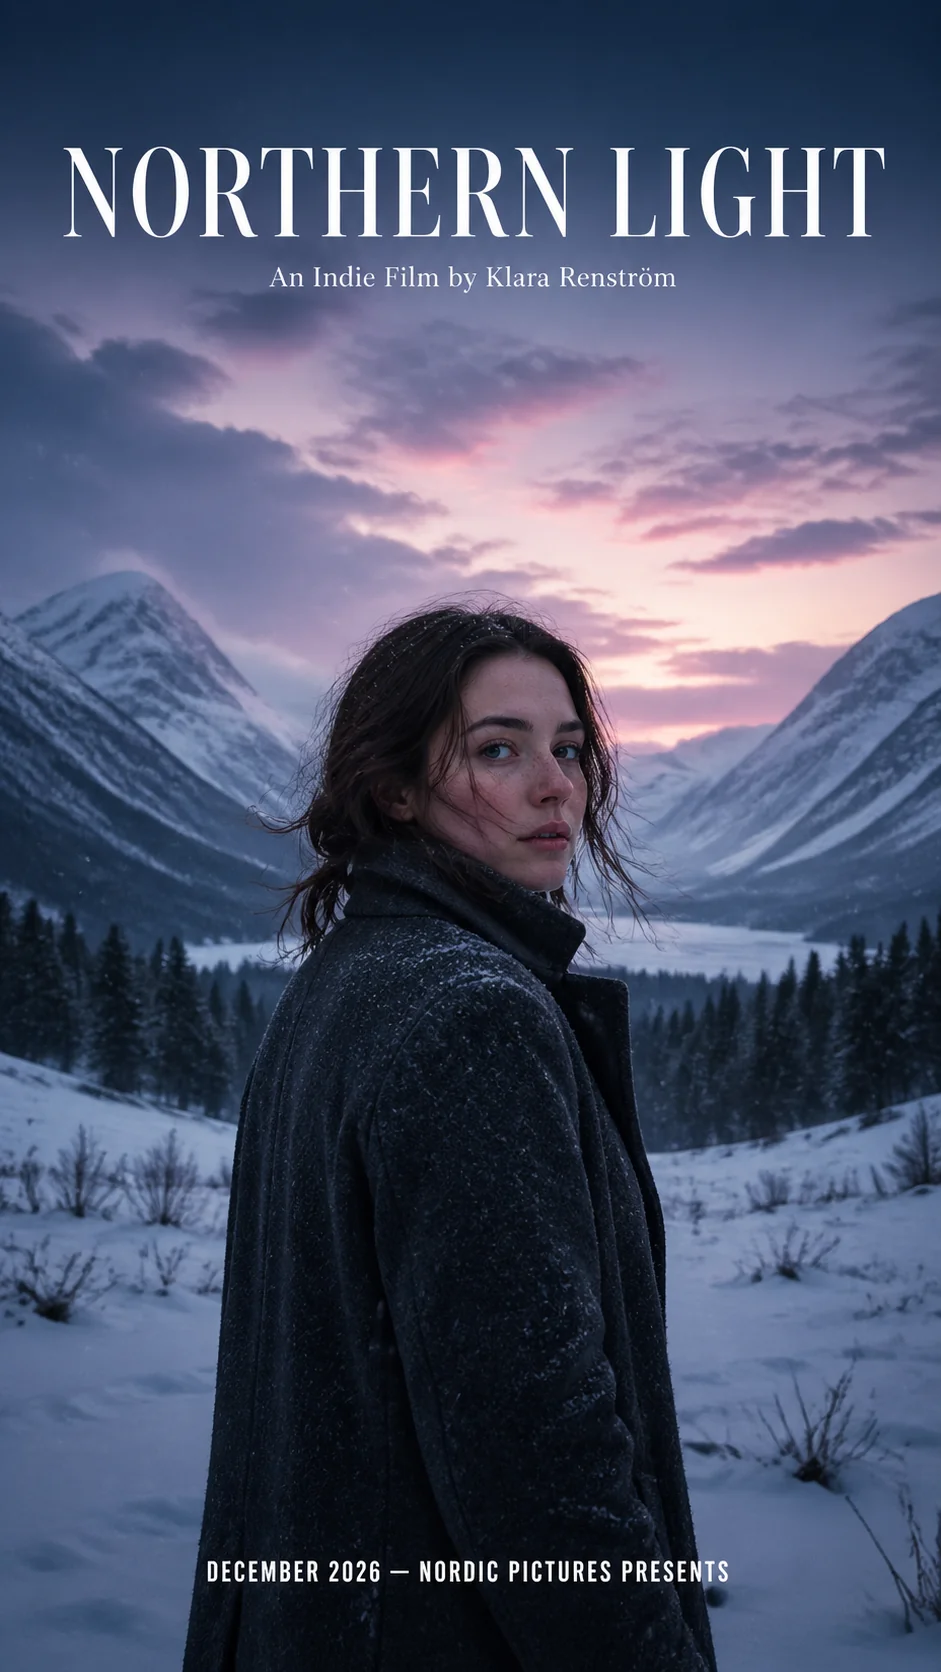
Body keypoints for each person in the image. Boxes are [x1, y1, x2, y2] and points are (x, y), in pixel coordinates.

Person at [182, 603, 719, 1672]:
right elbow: (536, 1453)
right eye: (496, 749)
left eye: (566, 747)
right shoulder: (471, 1016)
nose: (554, 782)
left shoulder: (345, 980)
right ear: (392, 788)